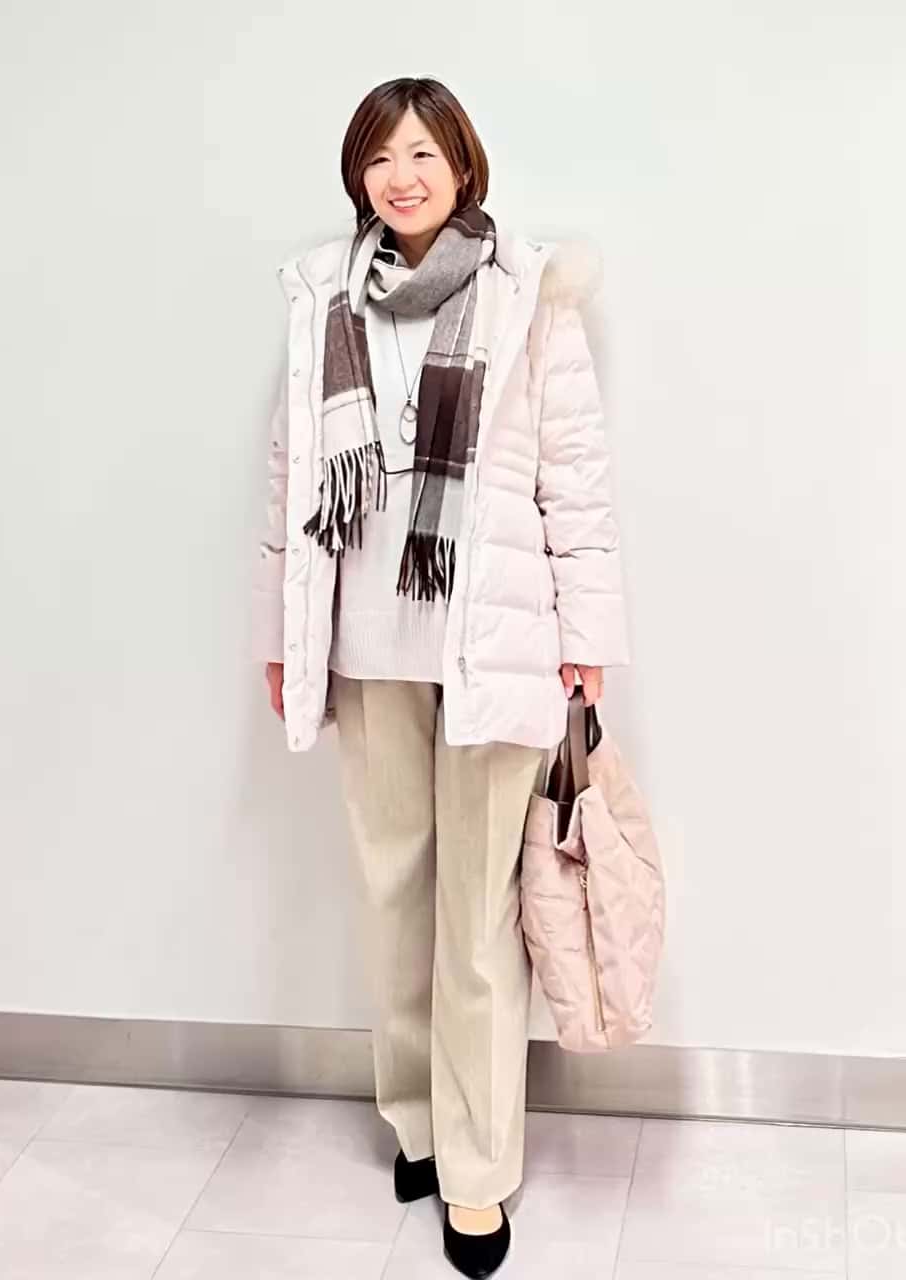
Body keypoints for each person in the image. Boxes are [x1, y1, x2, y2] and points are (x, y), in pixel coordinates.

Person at [252, 75, 630, 1279]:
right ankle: (415, 1119)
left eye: (422, 152)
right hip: (368, 648)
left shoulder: (527, 296)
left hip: (495, 648)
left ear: (463, 164)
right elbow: (290, 478)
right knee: (394, 901)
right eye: (380, 157)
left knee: (475, 921)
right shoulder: (326, 297)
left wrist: (587, 635)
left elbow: (575, 477)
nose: (401, 176)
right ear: (358, 176)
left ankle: (475, 1168)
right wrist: (281, 636)